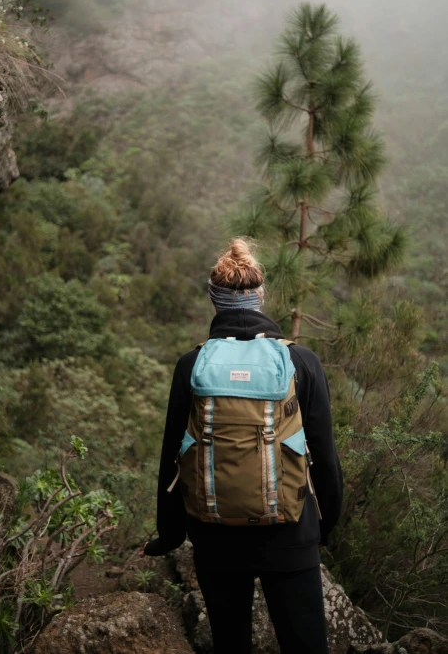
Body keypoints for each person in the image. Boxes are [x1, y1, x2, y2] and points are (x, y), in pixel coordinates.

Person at [143, 238, 343, 654]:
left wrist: (171, 534)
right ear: (259, 301)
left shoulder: (192, 364)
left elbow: (173, 456)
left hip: (215, 536)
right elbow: (323, 453)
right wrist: (325, 525)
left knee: (230, 645)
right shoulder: (300, 361)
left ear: (215, 303)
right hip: (290, 533)